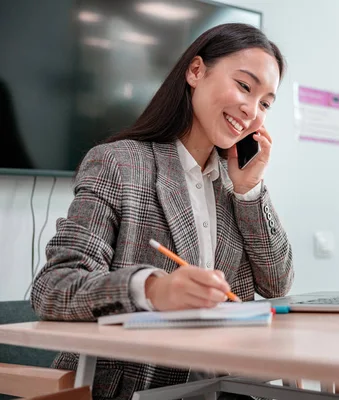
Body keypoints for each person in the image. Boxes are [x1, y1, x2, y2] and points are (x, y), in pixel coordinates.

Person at [30, 23, 294, 400]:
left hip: (223, 389)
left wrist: (250, 190)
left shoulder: (232, 185)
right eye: (244, 87)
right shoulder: (119, 164)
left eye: (265, 103)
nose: (251, 111)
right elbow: (53, 288)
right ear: (196, 71)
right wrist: (153, 289)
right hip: (132, 389)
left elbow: (277, 283)